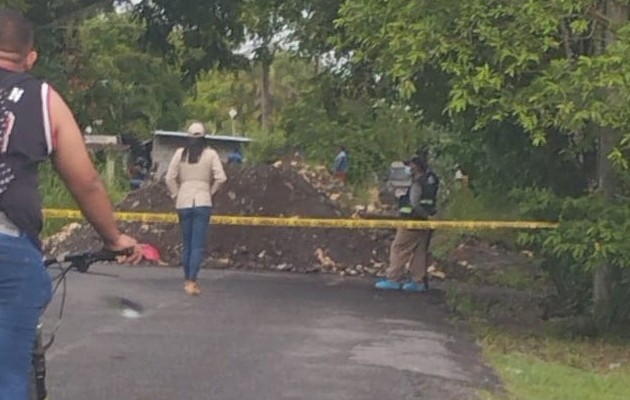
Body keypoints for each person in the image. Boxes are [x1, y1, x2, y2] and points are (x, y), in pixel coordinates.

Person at [0, 9, 143, 399]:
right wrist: (114, 238)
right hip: (8, 252)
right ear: (30, 57)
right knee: (6, 378)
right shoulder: (40, 96)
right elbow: (86, 181)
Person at [165, 122, 226, 296]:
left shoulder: (179, 154)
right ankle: (192, 281)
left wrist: (176, 194)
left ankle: (187, 280)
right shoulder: (210, 154)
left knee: (187, 244)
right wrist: (210, 191)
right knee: (197, 245)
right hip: (203, 201)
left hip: (183, 201)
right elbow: (221, 178)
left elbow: (169, 178)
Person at [375, 155, 439, 292]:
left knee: (399, 248)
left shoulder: (418, 183)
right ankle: (418, 281)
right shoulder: (431, 180)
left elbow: (415, 202)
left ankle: (393, 279)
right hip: (424, 221)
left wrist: (420, 214)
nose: (408, 168)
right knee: (419, 251)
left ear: (416, 166)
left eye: (409, 165)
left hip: (412, 220)